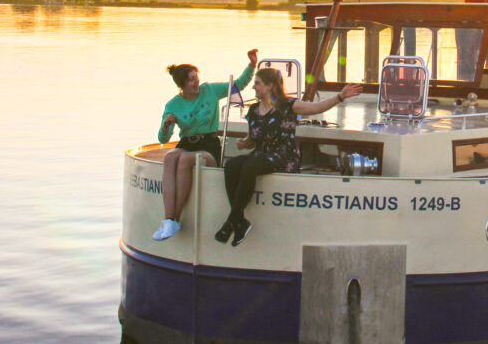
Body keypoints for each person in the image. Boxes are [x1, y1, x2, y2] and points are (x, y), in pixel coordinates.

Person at [215, 69, 363, 246]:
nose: (253, 87)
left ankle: (231, 221)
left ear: (270, 86)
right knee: (232, 165)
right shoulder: (253, 110)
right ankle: (239, 221)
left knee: (250, 166)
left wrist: (340, 96)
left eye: (257, 83)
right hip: (260, 154)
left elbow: (316, 108)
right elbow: (253, 139)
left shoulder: (286, 105)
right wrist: (243, 143)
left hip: (283, 156)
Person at [153, 49, 257, 241]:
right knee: (170, 157)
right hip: (187, 142)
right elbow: (163, 139)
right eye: (192, 79)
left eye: (197, 77)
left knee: (184, 159)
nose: (197, 82)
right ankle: (168, 220)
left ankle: (174, 218)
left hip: (208, 143)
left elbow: (238, 85)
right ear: (182, 84)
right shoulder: (173, 104)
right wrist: (166, 125)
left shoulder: (209, 91)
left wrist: (251, 65)